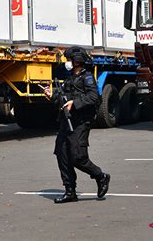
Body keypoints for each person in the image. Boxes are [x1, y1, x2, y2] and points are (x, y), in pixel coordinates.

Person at [42, 46, 110, 204]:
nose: (67, 62)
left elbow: (94, 97)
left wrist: (76, 103)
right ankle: (70, 191)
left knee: (78, 157)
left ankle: (101, 176)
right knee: (62, 155)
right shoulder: (69, 78)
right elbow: (63, 100)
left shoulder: (86, 78)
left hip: (80, 123)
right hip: (66, 122)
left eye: (69, 59)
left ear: (77, 60)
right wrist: (51, 96)